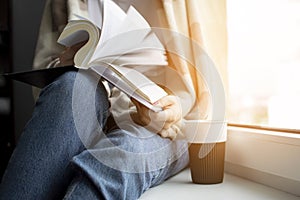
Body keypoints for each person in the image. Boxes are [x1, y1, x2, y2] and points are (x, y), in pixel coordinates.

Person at [0, 0, 195, 199]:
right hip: (87, 108)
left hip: (165, 125)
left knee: (119, 156)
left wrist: (167, 106)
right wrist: (65, 64)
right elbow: (46, 74)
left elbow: (197, 83)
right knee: (72, 85)